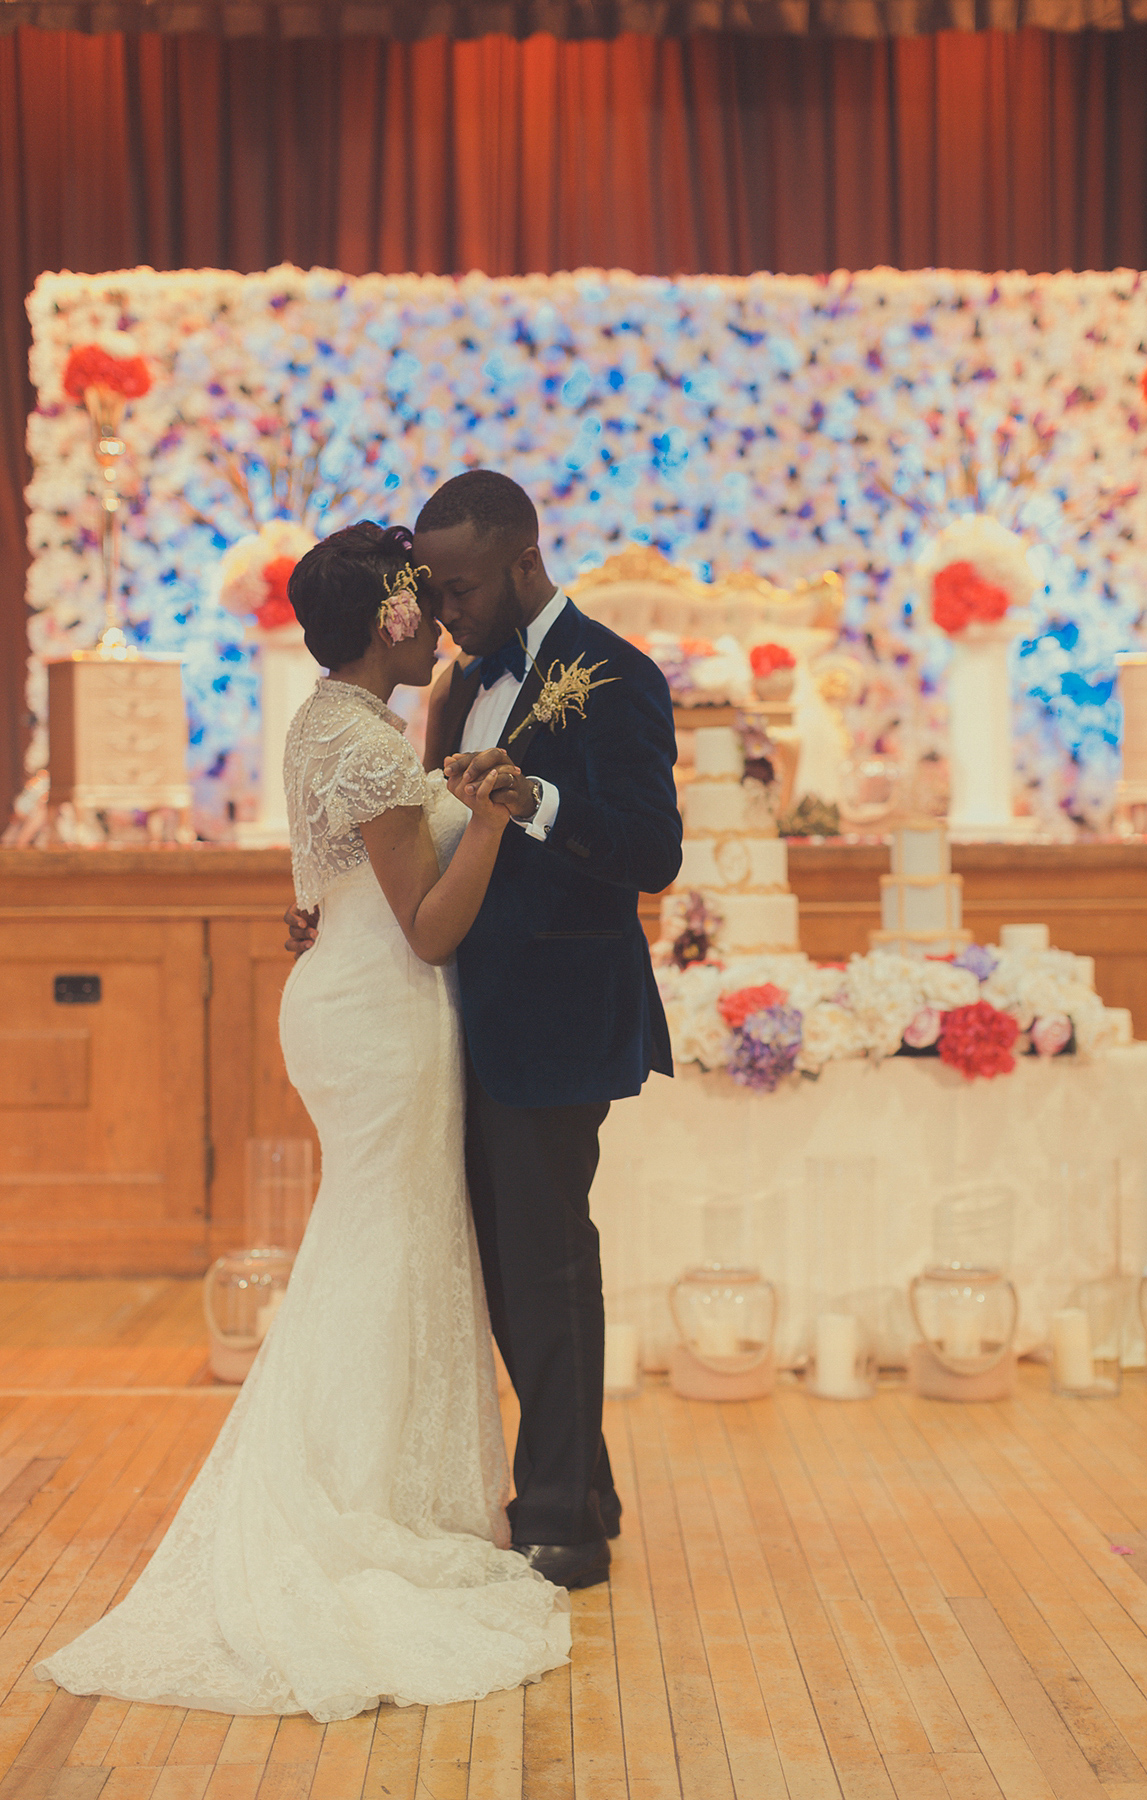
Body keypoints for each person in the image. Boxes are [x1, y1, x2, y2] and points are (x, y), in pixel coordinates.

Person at [35, 522, 571, 1720]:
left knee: (375, 1246)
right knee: (380, 1253)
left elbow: (334, 882)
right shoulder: (372, 746)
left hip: (349, 998)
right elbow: (428, 926)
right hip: (384, 1014)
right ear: (392, 622)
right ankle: (357, 1504)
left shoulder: (328, 720)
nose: (439, 623)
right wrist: (484, 821)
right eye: (424, 606)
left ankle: (379, 1485)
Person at [287, 471, 683, 1592]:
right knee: (507, 1272)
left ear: (523, 561)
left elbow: (652, 851)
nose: (442, 609)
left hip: (558, 1011)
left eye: (457, 587)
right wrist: (347, 907)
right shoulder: (457, 687)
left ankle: (561, 1517)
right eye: (431, 591)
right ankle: (581, 1483)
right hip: (449, 1015)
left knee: (547, 1263)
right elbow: (420, 833)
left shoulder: (617, 675)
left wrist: (536, 802)